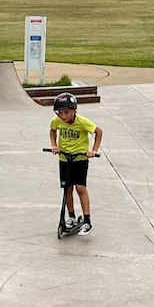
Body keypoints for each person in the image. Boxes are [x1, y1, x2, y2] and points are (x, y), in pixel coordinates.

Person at [48, 92, 102, 236]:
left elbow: (98, 132)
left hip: (80, 159)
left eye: (66, 112)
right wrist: (54, 145)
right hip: (64, 158)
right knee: (67, 188)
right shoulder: (57, 121)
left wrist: (93, 150)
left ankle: (87, 221)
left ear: (74, 111)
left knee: (80, 188)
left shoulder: (82, 122)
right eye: (60, 113)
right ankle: (71, 217)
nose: (63, 116)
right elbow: (52, 130)